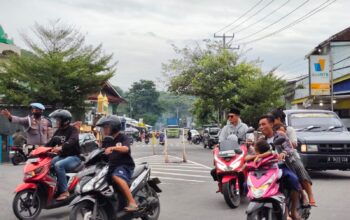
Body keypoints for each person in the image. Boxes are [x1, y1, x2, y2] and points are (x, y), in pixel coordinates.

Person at [257, 115, 302, 220]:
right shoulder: (260, 139)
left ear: (271, 124)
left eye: (263, 124)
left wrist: (284, 153)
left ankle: (293, 210)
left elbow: (289, 148)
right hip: (265, 169)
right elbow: (255, 152)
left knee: (294, 180)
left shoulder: (280, 135)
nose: (261, 127)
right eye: (260, 125)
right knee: (248, 183)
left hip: (281, 167)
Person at [96, 115, 138, 212]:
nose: (104, 130)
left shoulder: (123, 137)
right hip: (111, 166)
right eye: (103, 128)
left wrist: (113, 148)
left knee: (116, 177)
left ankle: (132, 203)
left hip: (124, 165)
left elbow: (126, 148)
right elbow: (101, 151)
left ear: (113, 127)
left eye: (106, 127)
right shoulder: (106, 140)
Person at [46, 109, 80, 201]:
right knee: (47, 164)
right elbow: (50, 143)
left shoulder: (73, 130)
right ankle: (54, 186)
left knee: (58, 165)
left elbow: (73, 140)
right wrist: (38, 149)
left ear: (65, 121)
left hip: (74, 157)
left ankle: (64, 191)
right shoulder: (58, 131)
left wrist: (61, 147)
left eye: (58, 120)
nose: (56, 122)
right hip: (62, 156)